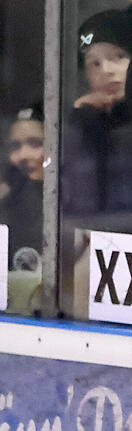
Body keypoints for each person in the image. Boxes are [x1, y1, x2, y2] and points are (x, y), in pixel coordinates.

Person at [0, 105, 45, 313]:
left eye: (35, 144)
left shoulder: (76, 203)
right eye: (15, 147)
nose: (23, 155)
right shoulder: (9, 203)